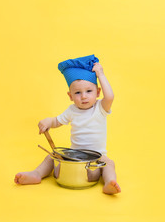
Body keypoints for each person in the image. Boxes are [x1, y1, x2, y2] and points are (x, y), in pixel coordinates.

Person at [14, 55, 121, 195]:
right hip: (74, 155)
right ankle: (36, 174)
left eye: (89, 91)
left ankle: (109, 183)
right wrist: (48, 122)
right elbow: (56, 121)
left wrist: (100, 74)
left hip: (97, 156)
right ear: (70, 96)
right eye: (77, 92)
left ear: (98, 92)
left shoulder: (100, 108)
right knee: (51, 157)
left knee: (109, 163)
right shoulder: (72, 110)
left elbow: (110, 97)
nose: (83, 96)